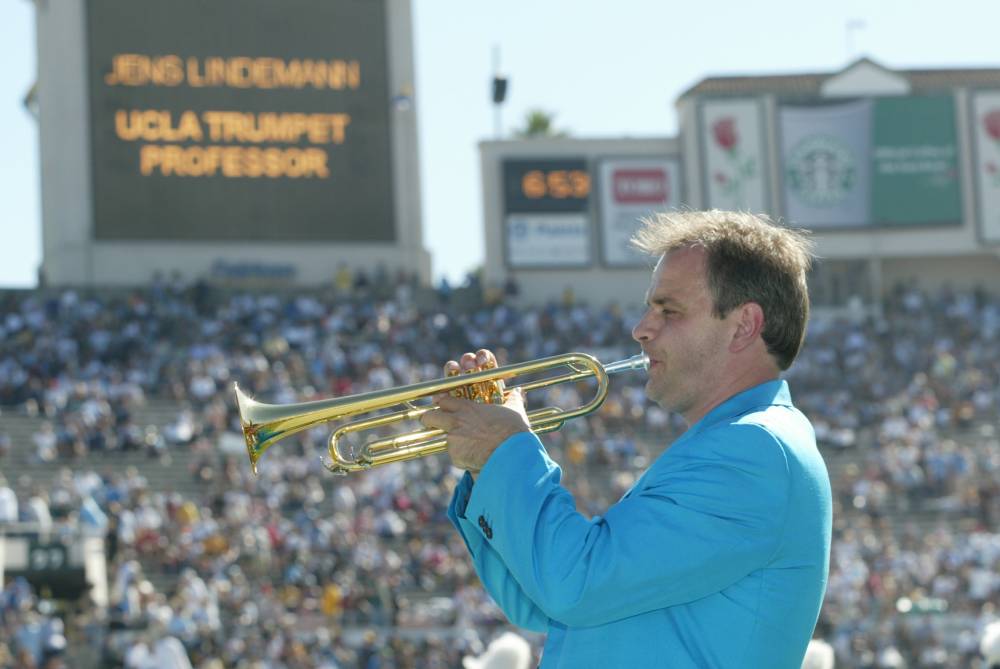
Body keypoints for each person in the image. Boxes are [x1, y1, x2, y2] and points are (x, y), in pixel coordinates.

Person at [421, 210, 832, 668]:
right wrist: (486, 468)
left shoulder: (753, 451)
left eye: (669, 310)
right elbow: (537, 602)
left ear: (743, 325)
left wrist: (505, 452)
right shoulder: (735, 445)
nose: (641, 328)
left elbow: (573, 585)